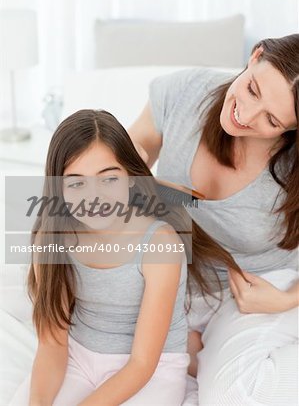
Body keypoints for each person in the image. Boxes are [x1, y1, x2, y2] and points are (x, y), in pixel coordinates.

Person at [9, 109, 241, 406]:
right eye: (76, 183)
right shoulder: (52, 240)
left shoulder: (160, 244)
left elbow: (142, 363)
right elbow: (52, 344)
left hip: (149, 369)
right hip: (78, 357)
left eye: (109, 179)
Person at [128, 34, 299, 405]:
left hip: (261, 288)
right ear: (255, 56)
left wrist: (286, 300)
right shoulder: (184, 92)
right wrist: (134, 175)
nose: (246, 117)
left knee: (228, 395)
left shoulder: (291, 165)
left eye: (272, 119)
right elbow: (124, 162)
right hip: (180, 281)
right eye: (253, 90)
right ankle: (192, 349)